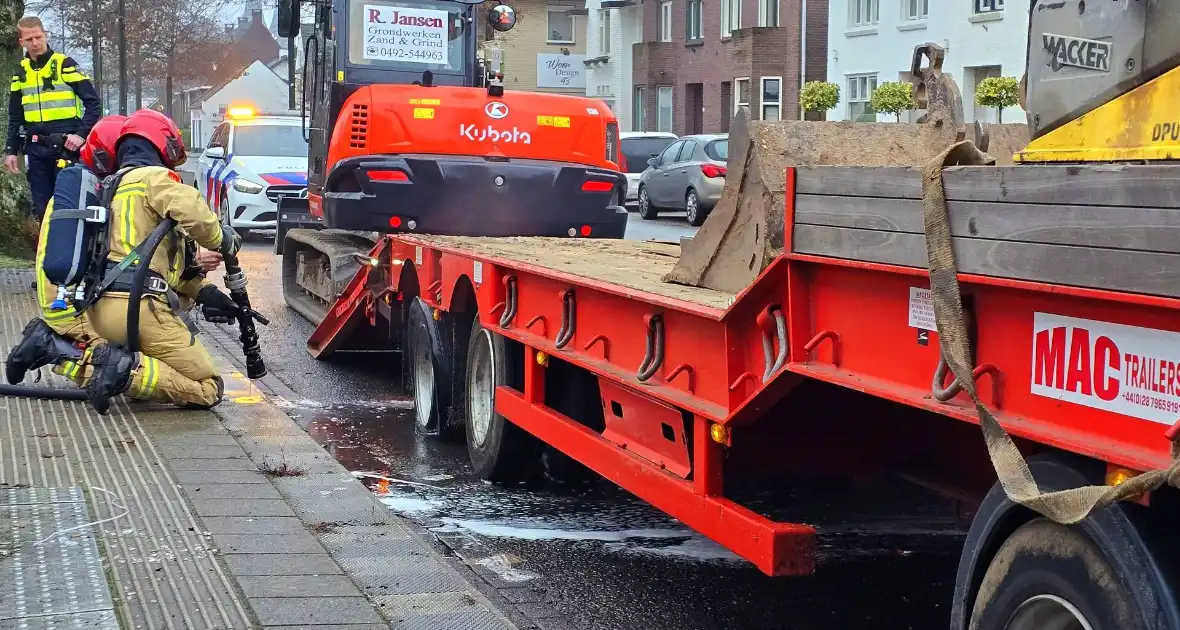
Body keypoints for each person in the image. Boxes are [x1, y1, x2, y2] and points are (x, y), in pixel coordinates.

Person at [83, 108, 242, 415]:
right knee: (209, 388)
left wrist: (206, 292)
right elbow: (194, 212)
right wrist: (223, 238)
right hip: (139, 309)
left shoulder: (111, 185)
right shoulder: (154, 178)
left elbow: (157, 260)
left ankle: (127, 368)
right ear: (163, 144)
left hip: (102, 311)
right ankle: (125, 372)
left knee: (163, 371)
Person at [5, 16, 102, 221]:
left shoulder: (64, 64)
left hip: (67, 147)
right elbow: (15, 115)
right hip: (36, 148)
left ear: (45, 35)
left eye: (38, 37)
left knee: (67, 204)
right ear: (21, 42)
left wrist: (81, 135)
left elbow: (93, 104)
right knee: (41, 207)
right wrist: (11, 150)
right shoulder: (20, 71)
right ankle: (46, 251)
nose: (35, 43)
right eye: (29, 39)